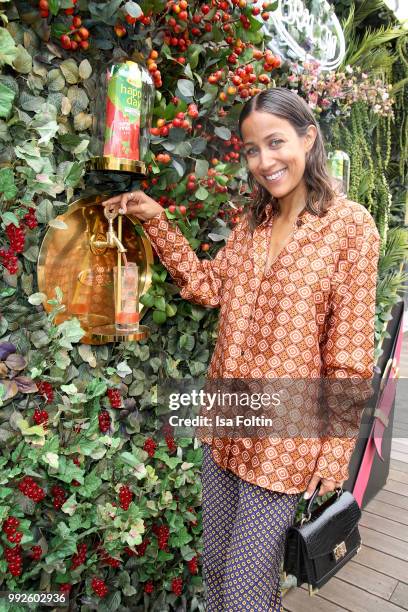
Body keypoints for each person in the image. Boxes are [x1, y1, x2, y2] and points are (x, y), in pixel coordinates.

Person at [102, 88, 380, 611]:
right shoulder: (251, 223)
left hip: (282, 445)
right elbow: (209, 287)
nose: (264, 161)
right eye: (252, 150)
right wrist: (157, 220)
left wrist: (336, 447)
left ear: (308, 137)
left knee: (245, 594)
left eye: (275, 142)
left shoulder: (350, 229)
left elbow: (347, 351)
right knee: (219, 574)